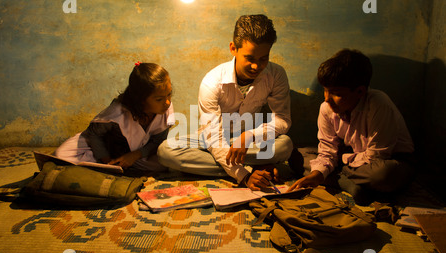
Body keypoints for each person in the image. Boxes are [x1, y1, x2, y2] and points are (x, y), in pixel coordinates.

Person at [158, 14, 298, 190]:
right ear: (233, 48)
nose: (256, 66)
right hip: (212, 138)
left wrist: (250, 136)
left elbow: (283, 119)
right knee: (166, 151)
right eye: (250, 58)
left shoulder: (276, 74)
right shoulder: (212, 82)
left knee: (285, 145)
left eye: (263, 58)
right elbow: (213, 139)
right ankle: (254, 167)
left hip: (248, 141)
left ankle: (221, 166)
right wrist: (244, 175)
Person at [288, 49, 416, 204]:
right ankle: (349, 184)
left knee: (383, 175)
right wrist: (319, 171)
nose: (327, 98)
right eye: (325, 90)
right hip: (352, 158)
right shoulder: (326, 107)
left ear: (360, 91)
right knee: (296, 155)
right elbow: (327, 148)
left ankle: (336, 178)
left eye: (336, 93)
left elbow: (376, 156)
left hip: (387, 161)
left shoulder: (379, 104)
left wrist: (338, 161)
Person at [54, 62, 174, 173]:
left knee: (164, 163)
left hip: (135, 152)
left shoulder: (165, 110)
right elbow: (94, 134)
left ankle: (122, 163)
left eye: (169, 94)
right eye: (159, 99)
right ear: (141, 99)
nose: (167, 102)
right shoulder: (118, 112)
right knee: (60, 155)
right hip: (106, 146)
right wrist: (106, 160)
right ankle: (110, 165)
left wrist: (134, 156)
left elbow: (157, 141)